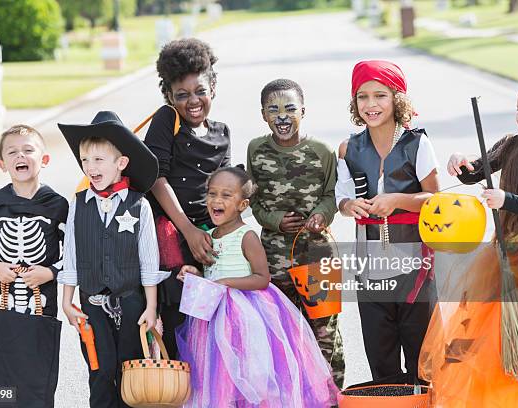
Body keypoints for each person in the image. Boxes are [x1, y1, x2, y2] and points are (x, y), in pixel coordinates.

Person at [419, 24, 518, 406]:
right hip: (511, 256)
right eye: (516, 109)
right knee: (492, 342)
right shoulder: (514, 146)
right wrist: (460, 164)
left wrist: (506, 199)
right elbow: (476, 171)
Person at [175, 166, 338, 407]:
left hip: (245, 317)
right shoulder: (210, 235)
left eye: (226, 195)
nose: (216, 200)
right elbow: (214, 273)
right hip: (213, 318)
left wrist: (226, 283)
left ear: (243, 205)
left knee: (250, 374)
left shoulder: (246, 235)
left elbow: (262, 278)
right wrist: (197, 274)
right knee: (220, 377)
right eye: (212, 193)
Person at [335, 60, 440, 381]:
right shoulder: (348, 148)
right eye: (362, 96)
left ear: (397, 98)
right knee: (381, 362)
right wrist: (349, 204)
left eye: (380, 95)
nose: (371, 104)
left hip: (415, 269)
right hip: (370, 270)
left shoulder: (416, 144)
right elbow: (341, 200)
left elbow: (433, 199)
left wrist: (396, 200)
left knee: (422, 360)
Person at [58, 111, 170, 408]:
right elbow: (71, 255)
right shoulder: (78, 205)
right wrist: (66, 301)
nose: (90, 168)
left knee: (129, 366)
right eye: (85, 161)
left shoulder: (139, 205)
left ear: (121, 163)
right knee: (99, 367)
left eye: (98, 160)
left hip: (132, 300)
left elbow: (149, 260)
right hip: (91, 302)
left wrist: (151, 307)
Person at [246, 78, 344, 387]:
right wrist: (274, 219)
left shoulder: (322, 151)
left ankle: (330, 397)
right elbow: (254, 200)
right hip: (273, 258)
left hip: (318, 253)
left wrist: (322, 215)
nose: (282, 116)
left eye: (290, 108)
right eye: (273, 110)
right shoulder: (256, 149)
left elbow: (332, 194)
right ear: (263, 115)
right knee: (282, 331)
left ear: (303, 110)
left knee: (324, 331)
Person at [143, 38, 230, 359]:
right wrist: (189, 232)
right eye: (182, 95)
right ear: (169, 96)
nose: (193, 101)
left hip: (207, 236)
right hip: (173, 237)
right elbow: (155, 177)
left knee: (211, 320)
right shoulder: (167, 120)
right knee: (177, 319)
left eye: (200, 91)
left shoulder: (222, 132)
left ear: (214, 86)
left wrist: (219, 236)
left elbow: (224, 192)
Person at [0, 124, 68, 317]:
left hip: (41, 300)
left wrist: (50, 273)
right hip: (1, 297)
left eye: (28, 150)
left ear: (44, 160)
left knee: (39, 345)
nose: (20, 156)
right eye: (12, 152)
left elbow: (75, 251)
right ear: (2, 164)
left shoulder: (57, 205)